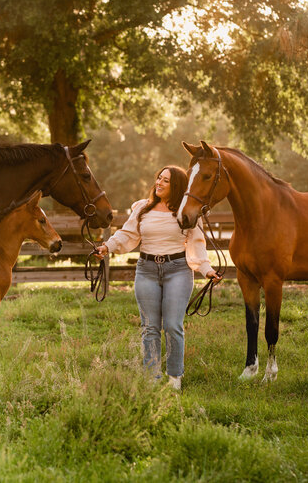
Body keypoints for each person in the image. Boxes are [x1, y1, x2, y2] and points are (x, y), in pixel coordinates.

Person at [94, 166, 221, 390]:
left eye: (166, 181)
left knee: (173, 325)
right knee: (150, 327)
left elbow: (196, 243)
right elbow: (127, 233)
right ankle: (151, 379)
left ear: (177, 187)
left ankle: (174, 378)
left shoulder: (186, 211)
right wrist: (107, 246)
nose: (159, 183)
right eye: (159, 178)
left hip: (178, 270)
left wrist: (206, 269)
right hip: (147, 270)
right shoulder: (142, 208)